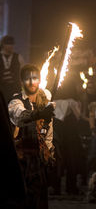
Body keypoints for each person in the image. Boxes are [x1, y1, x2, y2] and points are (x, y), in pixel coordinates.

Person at [8, 64, 55, 209]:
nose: (31, 82)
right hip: (20, 162)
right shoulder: (15, 102)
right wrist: (40, 114)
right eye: (27, 79)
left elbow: (46, 133)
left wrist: (48, 150)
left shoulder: (43, 104)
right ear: (22, 81)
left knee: (39, 202)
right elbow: (21, 117)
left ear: (39, 80)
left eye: (34, 78)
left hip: (38, 162)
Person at [0, 35, 24, 102]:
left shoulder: (18, 57)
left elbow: (23, 73)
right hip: (1, 90)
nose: (10, 46)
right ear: (3, 45)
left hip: (15, 90)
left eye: (12, 44)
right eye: (8, 44)